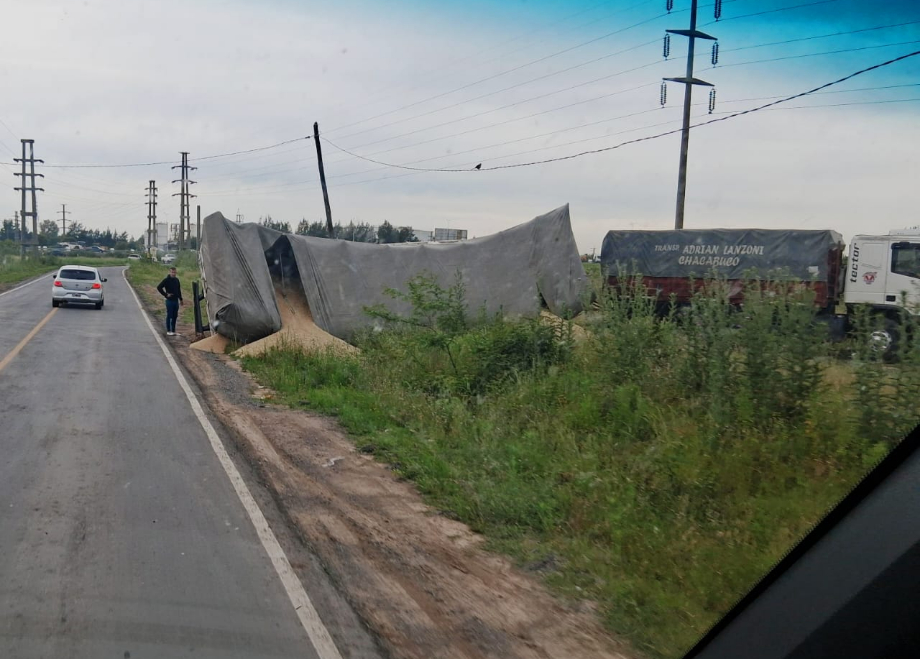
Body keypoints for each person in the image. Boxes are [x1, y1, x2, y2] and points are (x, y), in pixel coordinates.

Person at [156, 266, 183, 336]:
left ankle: (173, 330)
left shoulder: (177, 280)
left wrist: (181, 299)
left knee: (175, 316)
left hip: (176, 300)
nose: (173, 274)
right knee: (169, 315)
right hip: (169, 300)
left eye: (174, 272)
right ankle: (168, 330)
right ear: (169, 272)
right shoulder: (166, 280)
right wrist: (165, 294)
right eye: (172, 272)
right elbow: (159, 287)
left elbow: (178, 290)